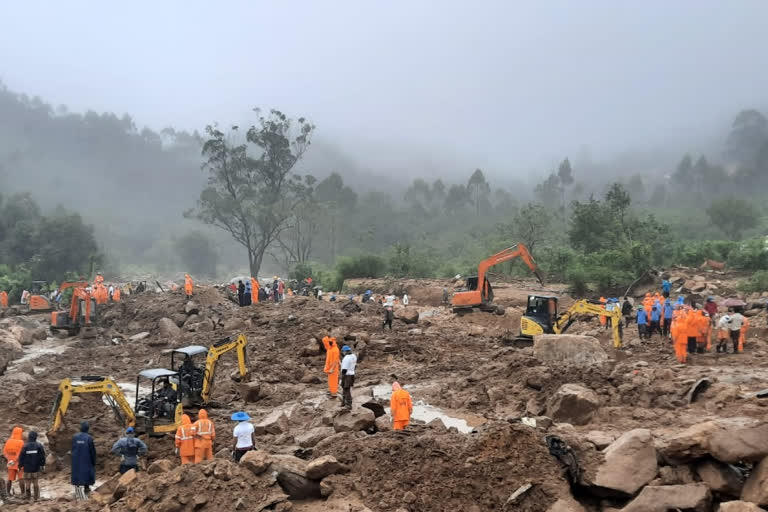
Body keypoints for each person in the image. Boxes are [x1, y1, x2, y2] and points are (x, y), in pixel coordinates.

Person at [71, 422, 96, 499]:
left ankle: (78, 491)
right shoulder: (89, 438)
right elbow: (92, 451)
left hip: (76, 459)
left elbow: (73, 448)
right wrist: (93, 461)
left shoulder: (75, 437)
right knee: (86, 473)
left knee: (77, 472)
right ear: (88, 429)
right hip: (86, 459)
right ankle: (86, 488)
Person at [18, 430, 45, 501]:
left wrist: (20, 466)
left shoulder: (25, 446)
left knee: (27, 482)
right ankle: (36, 497)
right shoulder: (39, 445)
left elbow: (21, 457)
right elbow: (42, 456)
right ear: (35, 437)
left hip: (27, 468)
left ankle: (28, 497)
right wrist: (42, 465)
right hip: (36, 467)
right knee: (36, 482)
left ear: (29, 437)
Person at [3, 427, 25, 497]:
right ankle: (23, 493)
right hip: (19, 463)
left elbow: (4, 452)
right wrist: (15, 460)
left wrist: (9, 459)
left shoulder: (8, 441)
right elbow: (20, 453)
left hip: (10, 463)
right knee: (21, 478)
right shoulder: (21, 442)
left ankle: (8, 493)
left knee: (10, 478)